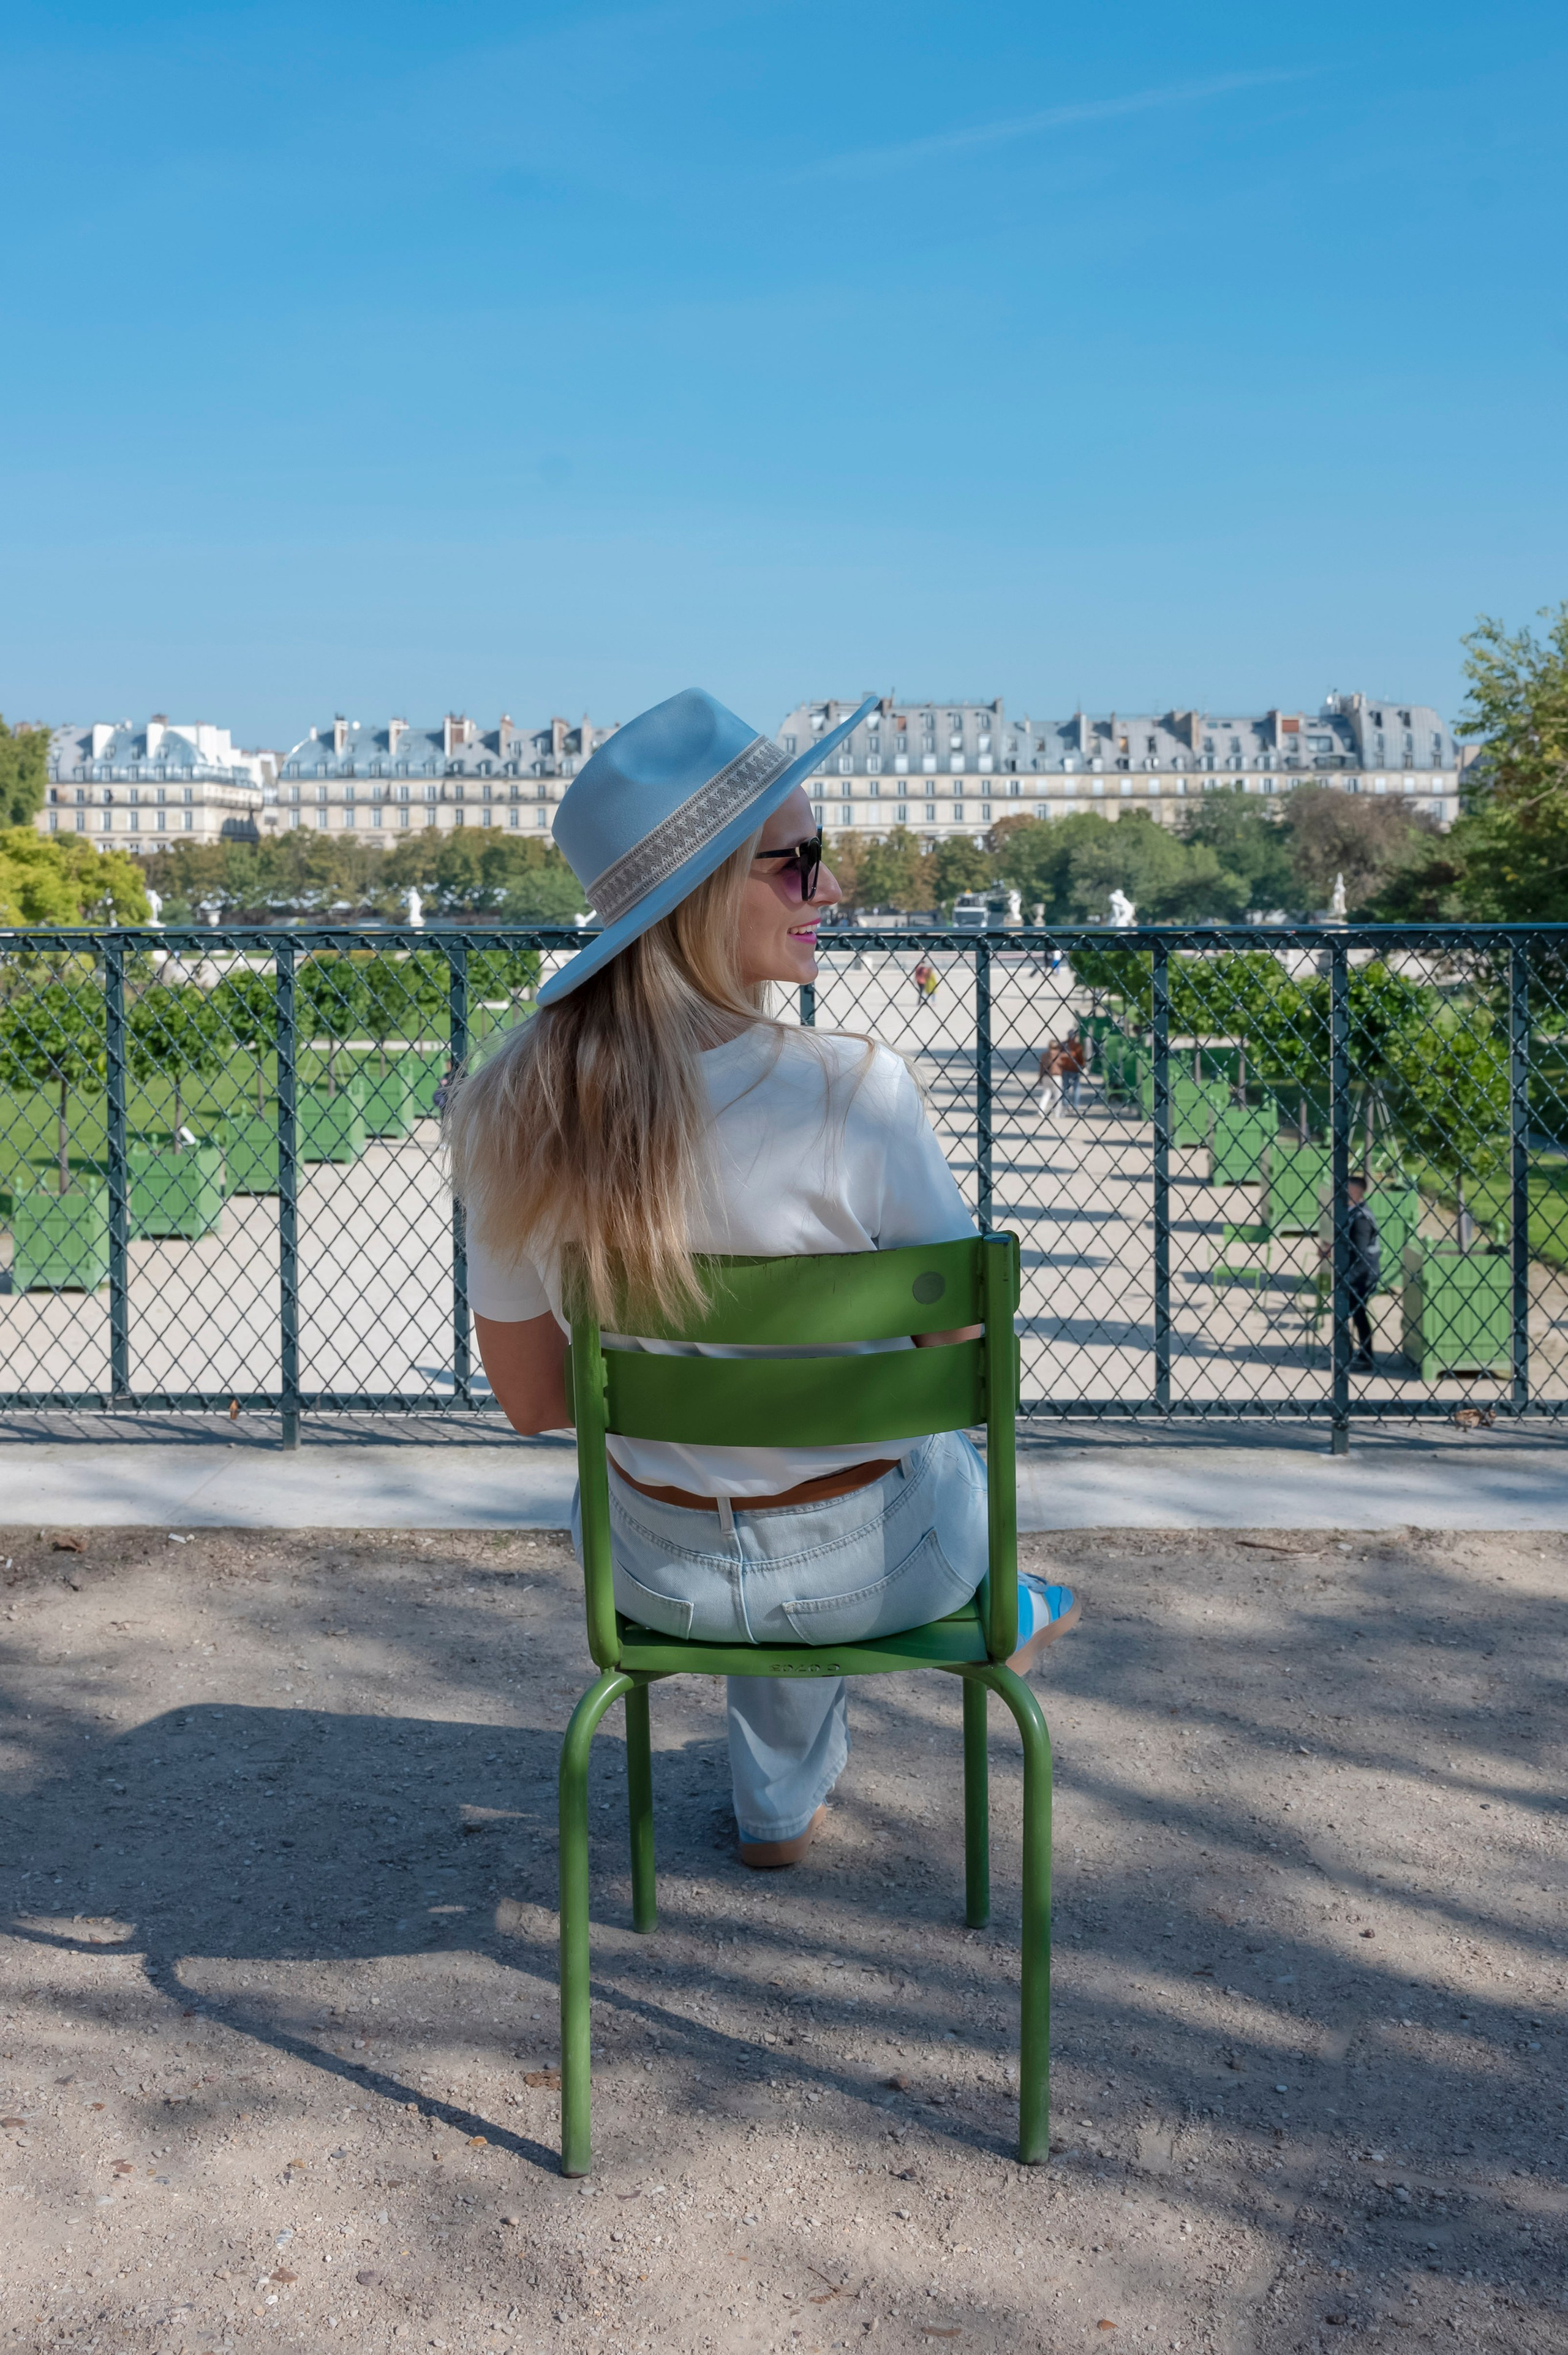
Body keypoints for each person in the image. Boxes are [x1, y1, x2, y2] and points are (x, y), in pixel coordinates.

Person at [445, 688, 1080, 1872]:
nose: (828, 889)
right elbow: (968, 1356)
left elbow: (533, 1403)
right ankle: (1008, 1604)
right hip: (877, 1570)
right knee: (917, 1450)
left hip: (648, 1576)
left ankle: (779, 1804)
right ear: (698, 901)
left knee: (738, 1465)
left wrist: (714, 1410)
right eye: (799, 863)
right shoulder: (855, 1090)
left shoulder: (510, 1108)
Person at [1319, 1174, 1381, 1370]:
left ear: (1354, 1192)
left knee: (1355, 1315)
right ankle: (1354, 1354)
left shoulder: (1362, 1218)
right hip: (1356, 1274)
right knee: (1355, 1315)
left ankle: (1360, 1356)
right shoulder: (1355, 1211)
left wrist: (1345, 1277)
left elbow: (1359, 1252)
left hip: (1361, 1276)